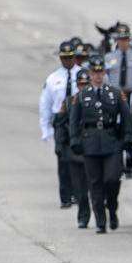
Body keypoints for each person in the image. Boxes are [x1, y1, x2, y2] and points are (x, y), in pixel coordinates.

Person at [69, 57, 132, 234]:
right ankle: (100, 220)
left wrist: (128, 137)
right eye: (94, 73)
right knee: (95, 183)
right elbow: (74, 121)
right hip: (90, 144)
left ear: (104, 73)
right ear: (90, 74)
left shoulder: (114, 93)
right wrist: (74, 140)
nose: (97, 76)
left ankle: (112, 208)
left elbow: (126, 117)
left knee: (112, 179)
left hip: (111, 141)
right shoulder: (81, 96)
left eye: (100, 72)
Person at [39, 40, 82, 208]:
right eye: (64, 58)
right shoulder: (53, 78)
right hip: (61, 121)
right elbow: (45, 104)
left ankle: (79, 194)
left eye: (70, 57)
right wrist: (46, 129)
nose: (67, 61)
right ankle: (65, 197)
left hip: (78, 120)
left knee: (79, 159)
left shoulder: (83, 74)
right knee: (63, 159)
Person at [54, 69, 93, 228]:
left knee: (96, 187)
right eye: (81, 84)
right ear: (77, 85)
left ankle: (100, 217)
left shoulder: (99, 100)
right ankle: (83, 217)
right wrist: (59, 146)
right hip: (75, 151)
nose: (83, 87)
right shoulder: (69, 102)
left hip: (93, 150)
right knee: (80, 190)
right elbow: (60, 125)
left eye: (86, 84)